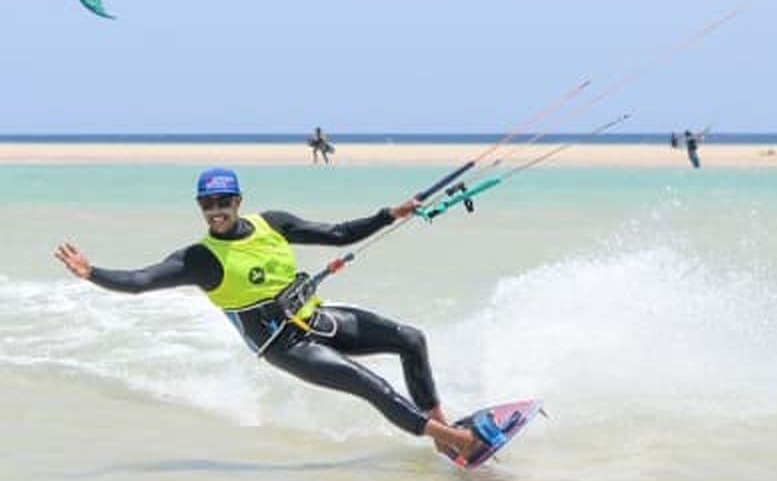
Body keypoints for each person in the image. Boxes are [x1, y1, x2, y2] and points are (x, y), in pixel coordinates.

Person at [54, 167, 483, 460]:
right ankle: (457, 442)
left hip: (317, 319)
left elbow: (336, 235)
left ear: (238, 200)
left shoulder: (272, 224)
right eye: (207, 204)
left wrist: (389, 214)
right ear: (200, 207)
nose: (216, 211)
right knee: (368, 384)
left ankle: (441, 435)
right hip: (285, 345)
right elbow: (139, 281)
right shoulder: (200, 259)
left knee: (410, 339)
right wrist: (93, 273)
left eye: (223, 201)